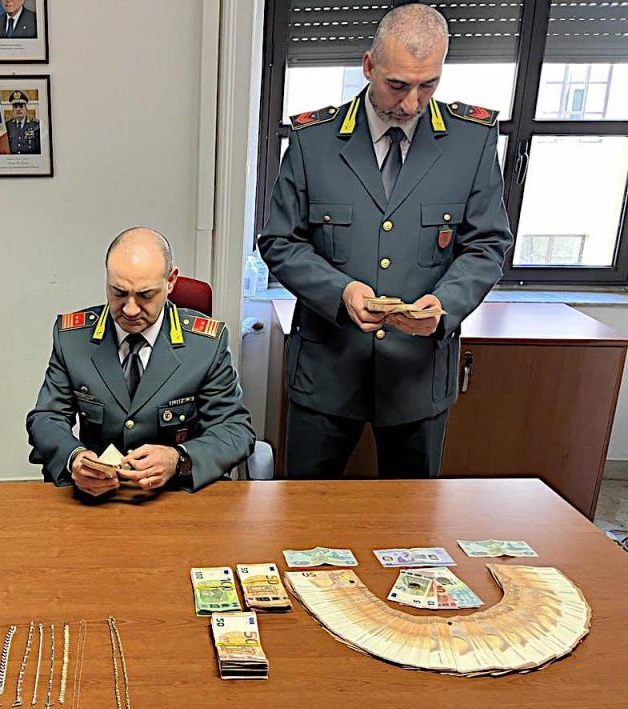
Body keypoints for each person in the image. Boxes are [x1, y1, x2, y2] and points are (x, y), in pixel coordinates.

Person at [258, 3, 513, 480]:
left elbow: (487, 245)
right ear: (368, 66)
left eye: (428, 85)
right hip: (327, 372)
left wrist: (444, 305)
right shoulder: (315, 141)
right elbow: (279, 242)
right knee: (305, 512)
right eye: (397, 85)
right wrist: (341, 292)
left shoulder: (471, 142)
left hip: (418, 375)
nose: (412, 103)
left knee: (412, 518)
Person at [26, 227, 256, 496]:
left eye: (145, 295)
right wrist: (75, 458)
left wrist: (179, 459)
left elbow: (235, 430)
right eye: (118, 292)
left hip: (175, 495)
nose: (130, 309)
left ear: (170, 281)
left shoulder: (205, 345)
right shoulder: (73, 339)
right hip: (98, 496)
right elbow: (46, 417)